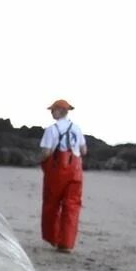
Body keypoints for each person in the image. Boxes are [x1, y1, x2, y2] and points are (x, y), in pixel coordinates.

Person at [39, 99, 86, 253]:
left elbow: (46, 153)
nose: (51, 112)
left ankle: (54, 238)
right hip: (76, 171)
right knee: (72, 206)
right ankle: (66, 244)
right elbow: (83, 150)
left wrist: (42, 162)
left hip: (57, 171)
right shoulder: (77, 128)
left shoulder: (51, 130)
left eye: (53, 110)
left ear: (59, 110)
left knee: (51, 204)